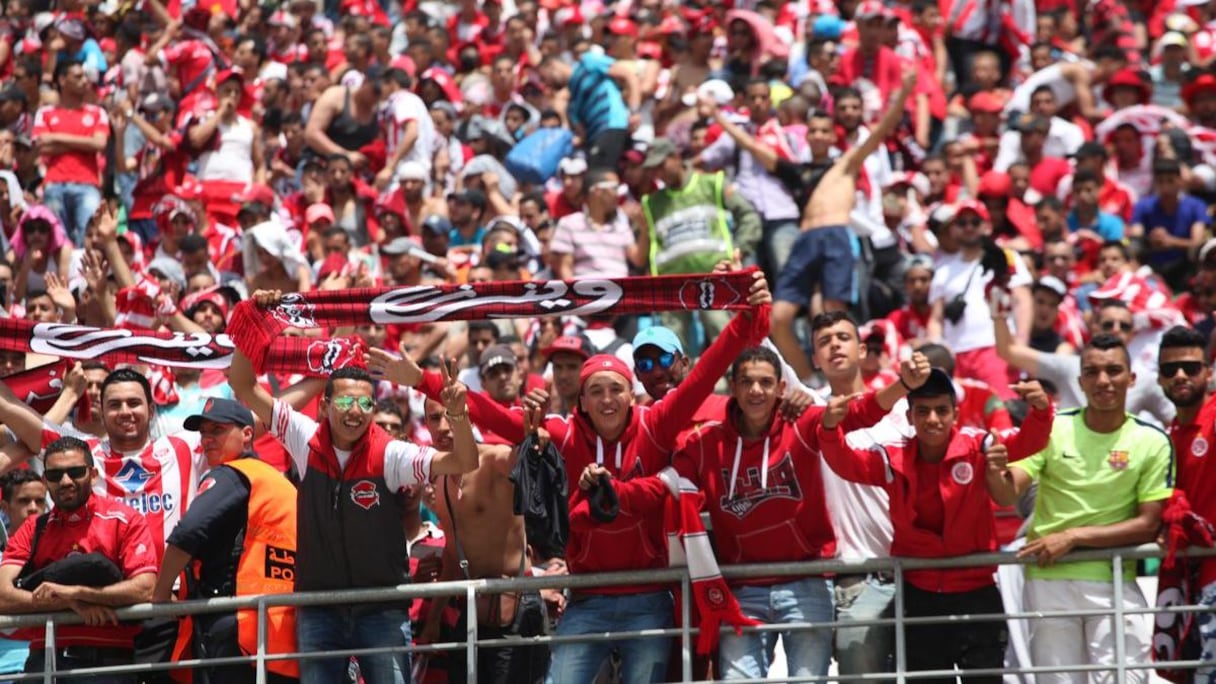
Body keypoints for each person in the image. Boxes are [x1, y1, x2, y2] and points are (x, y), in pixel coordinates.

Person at [368, 270, 772, 684]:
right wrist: (422, 381)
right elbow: (495, 416)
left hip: (649, 596)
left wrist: (745, 315)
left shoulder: (656, 425)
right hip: (587, 597)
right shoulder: (566, 434)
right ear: (581, 400)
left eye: (615, 389)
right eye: (595, 391)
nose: (607, 399)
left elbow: (706, 374)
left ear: (630, 395)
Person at [229, 295, 479, 684]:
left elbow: (464, 462)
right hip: (317, 607)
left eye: (364, 402)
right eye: (344, 399)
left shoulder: (391, 453)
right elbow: (242, 383)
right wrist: (256, 318)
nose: (355, 410)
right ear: (325, 404)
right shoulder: (302, 436)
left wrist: (459, 414)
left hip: (381, 609)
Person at [673, 345, 931, 679]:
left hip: (806, 581)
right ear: (732, 387)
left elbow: (859, 413)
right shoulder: (705, 444)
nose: (755, 391)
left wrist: (904, 386)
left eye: (765, 382)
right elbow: (664, 479)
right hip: (743, 588)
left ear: (781, 388)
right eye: (746, 382)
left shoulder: (804, 422)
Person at [819, 370, 1053, 682]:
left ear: (955, 413)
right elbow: (844, 463)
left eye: (942, 410)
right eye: (923, 411)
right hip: (919, 597)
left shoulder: (979, 446)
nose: (933, 419)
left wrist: (1041, 410)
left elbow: (1029, 441)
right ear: (910, 417)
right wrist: (830, 428)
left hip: (977, 593)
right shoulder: (893, 458)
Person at [1010, 335, 1174, 682]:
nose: (1103, 381)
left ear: (1132, 379)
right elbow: (1006, 490)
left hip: (1114, 578)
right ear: (1080, 381)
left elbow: (1148, 525)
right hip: (1047, 579)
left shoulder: (1153, 440)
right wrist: (994, 467)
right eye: (1093, 372)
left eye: (1114, 370)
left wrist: (1072, 537)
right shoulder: (1052, 426)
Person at [766, 69, 916, 380]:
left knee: (834, 316)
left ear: (833, 136)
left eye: (824, 130)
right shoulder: (801, 172)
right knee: (777, 319)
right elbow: (758, 151)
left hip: (836, 235)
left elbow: (880, 132)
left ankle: (845, 379)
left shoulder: (846, 163)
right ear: (806, 135)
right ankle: (810, 382)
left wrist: (903, 93)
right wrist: (721, 121)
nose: (818, 135)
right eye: (813, 130)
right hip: (806, 238)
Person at [152, 398, 298, 684]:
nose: (207, 440)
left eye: (217, 430)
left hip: (236, 627)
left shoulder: (232, 475)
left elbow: (187, 533)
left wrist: (160, 594)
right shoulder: (273, 479)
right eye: (203, 433)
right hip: (278, 629)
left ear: (247, 435)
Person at [0, 436, 158, 682]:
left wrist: (75, 593)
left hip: (108, 663)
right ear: (45, 481)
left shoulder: (125, 519)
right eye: (55, 475)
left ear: (93, 474)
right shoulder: (33, 527)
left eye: (75, 472)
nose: (65, 481)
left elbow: (146, 588)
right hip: (42, 660)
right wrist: (70, 603)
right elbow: (1, 596)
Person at [417, 395, 549, 684]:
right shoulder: (439, 478)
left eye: (451, 415)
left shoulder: (495, 459)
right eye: (434, 418)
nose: (443, 427)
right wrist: (434, 619)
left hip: (515, 610)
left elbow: (523, 458)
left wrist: (534, 437)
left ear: (469, 418)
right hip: (472, 615)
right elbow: (453, 553)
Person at [637, 138, 760, 352]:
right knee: (671, 345)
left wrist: (739, 250)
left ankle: (736, 381)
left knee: (724, 334)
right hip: (671, 282)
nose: (659, 173)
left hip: (713, 275)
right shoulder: (652, 203)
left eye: (661, 165)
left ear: (676, 158)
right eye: (653, 169)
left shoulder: (712, 184)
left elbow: (749, 216)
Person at [1154, 325, 1216, 682]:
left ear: (1208, 372)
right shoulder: (1168, 435)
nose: (1180, 375)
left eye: (1191, 368)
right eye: (1169, 369)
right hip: (1186, 581)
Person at [0, 470, 47, 676]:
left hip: (53, 664)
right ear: (5, 507)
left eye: (40, 501)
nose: (33, 508)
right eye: (24, 501)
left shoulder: (61, 552)